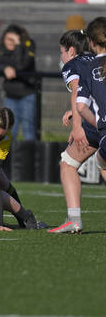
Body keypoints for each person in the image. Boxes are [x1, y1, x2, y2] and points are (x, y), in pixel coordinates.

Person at [48, 30, 101, 234]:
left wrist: (77, 126)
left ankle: (74, 220)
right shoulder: (98, 59)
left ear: (70, 50)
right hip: (99, 116)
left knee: (68, 164)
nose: (61, 57)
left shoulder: (72, 64)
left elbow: (79, 89)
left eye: (61, 51)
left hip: (95, 122)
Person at [71, 17, 106, 230]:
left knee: (102, 163)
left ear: (92, 42)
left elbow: (82, 107)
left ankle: (73, 220)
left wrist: (99, 124)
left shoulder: (88, 67)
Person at [0, 24, 37, 141]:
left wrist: (18, 45)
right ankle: (8, 158)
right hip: (10, 95)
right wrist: (5, 68)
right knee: (9, 130)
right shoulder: (3, 48)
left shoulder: (28, 45)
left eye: (13, 40)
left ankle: (29, 158)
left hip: (27, 94)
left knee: (28, 130)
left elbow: (21, 65)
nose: (9, 43)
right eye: (8, 39)